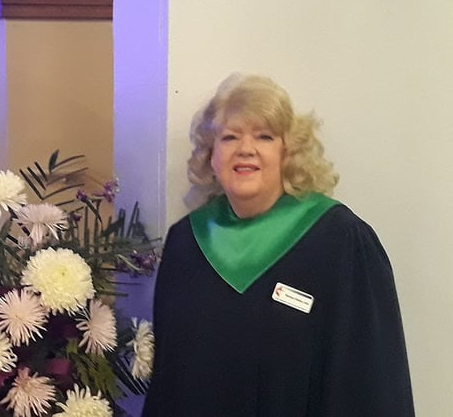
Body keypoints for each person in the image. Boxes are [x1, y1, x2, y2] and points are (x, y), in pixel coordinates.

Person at [143, 74, 414, 416]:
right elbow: (169, 383)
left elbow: (370, 384)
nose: (245, 149)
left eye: (264, 136)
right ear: (211, 156)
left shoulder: (340, 242)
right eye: (229, 137)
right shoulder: (187, 243)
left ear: (289, 153)